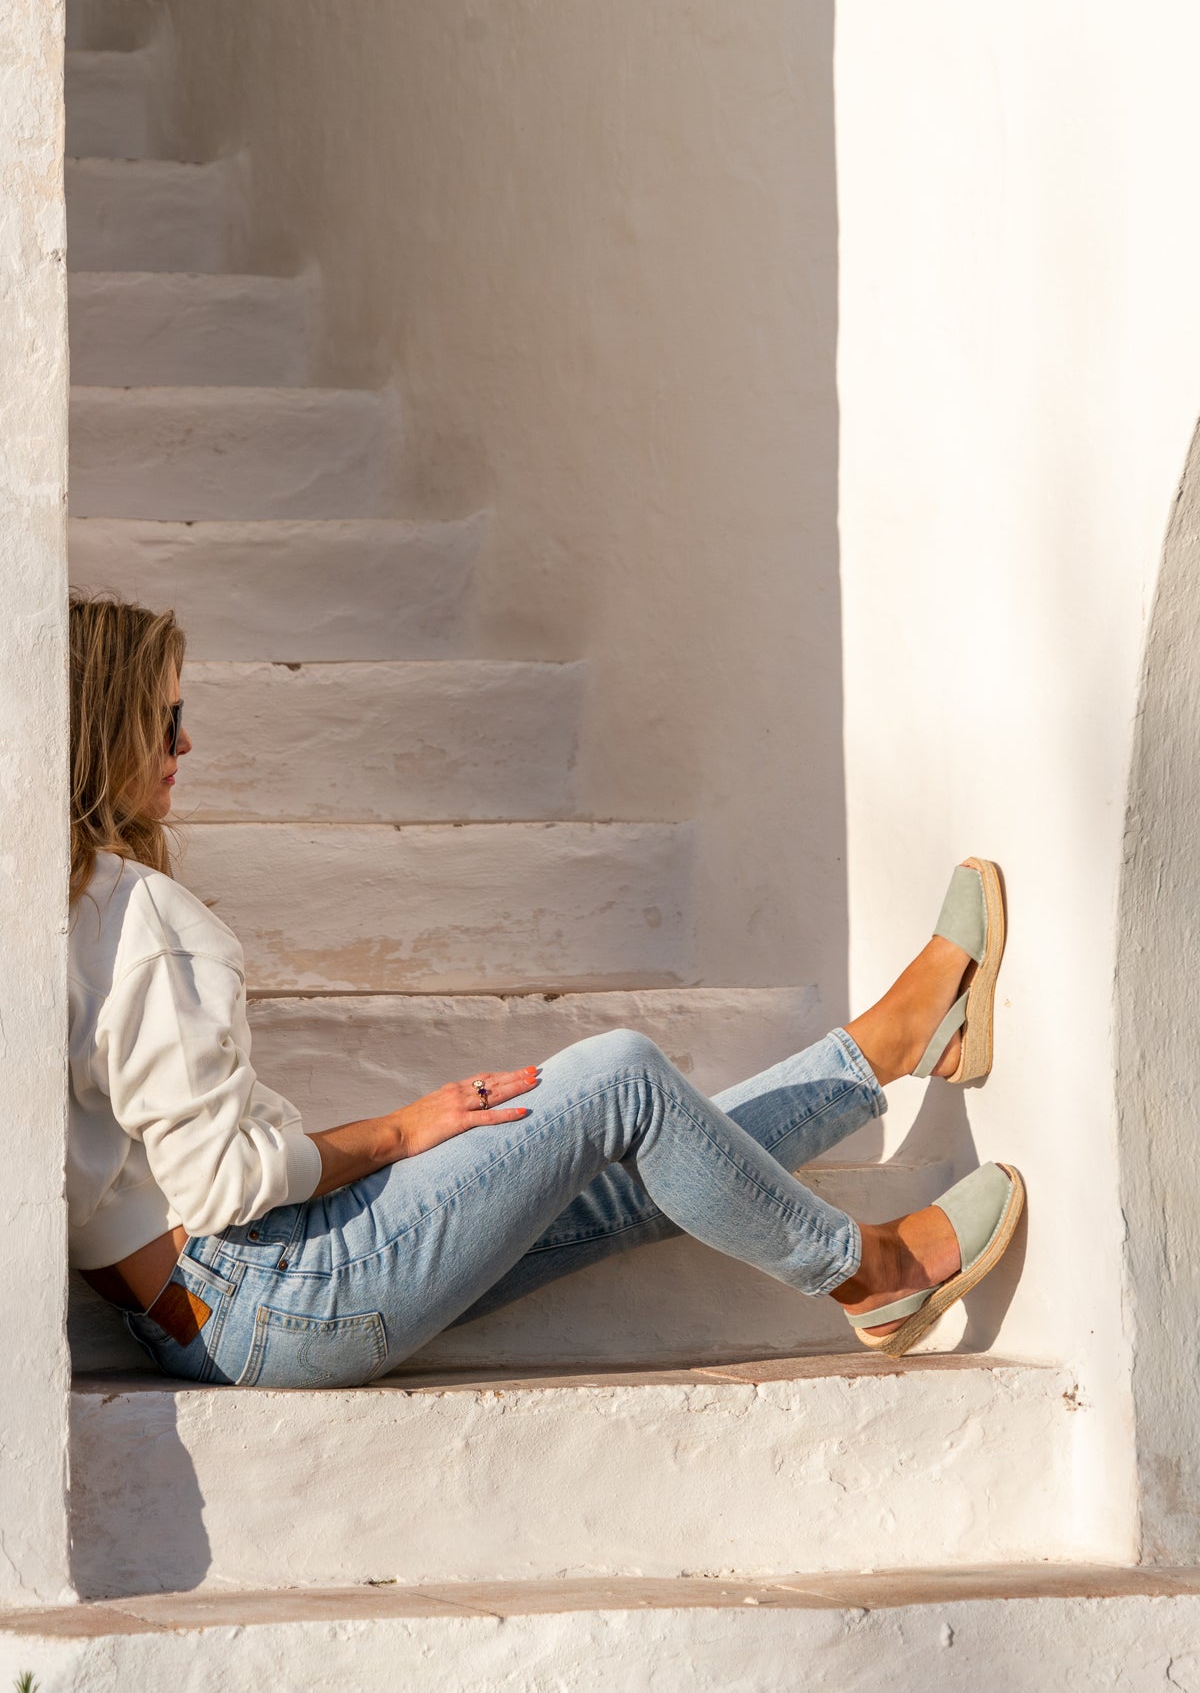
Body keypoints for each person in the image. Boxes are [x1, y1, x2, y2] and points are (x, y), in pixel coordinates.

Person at [69, 593, 1024, 1388]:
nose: (184, 743)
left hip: (205, 1314)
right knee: (621, 1078)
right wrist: (399, 1133)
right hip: (276, 1288)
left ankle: (888, 1048)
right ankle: (872, 1269)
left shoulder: (63, 916)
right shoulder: (142, 920)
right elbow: (220, 1182)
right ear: (103, 729)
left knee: (625, 1167)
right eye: (164, 717)